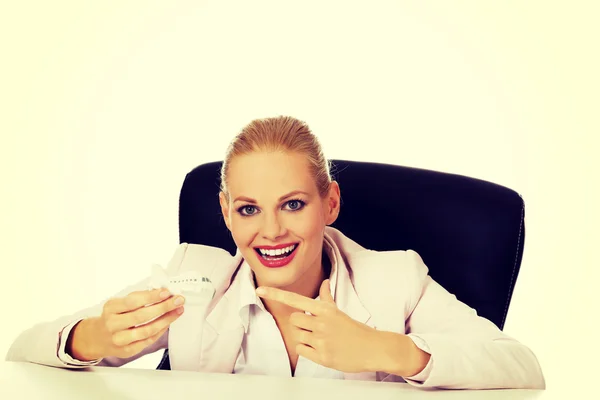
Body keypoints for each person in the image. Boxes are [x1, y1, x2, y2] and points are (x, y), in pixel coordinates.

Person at [6, 116, 546, 390]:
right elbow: (23, 351)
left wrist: (385, 350)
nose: (270, 230)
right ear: (225, 213)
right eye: (248, 209)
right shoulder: (194, 277)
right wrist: (92, 338)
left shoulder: (394, 279)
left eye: (292, 204)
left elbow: (522, 366)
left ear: (329, 202)